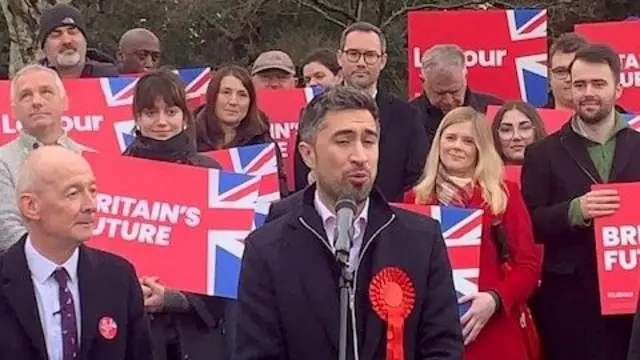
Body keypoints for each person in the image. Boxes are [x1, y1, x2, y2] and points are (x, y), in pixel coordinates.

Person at [233, 85, 463, 360]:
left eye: (369, 141)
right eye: (343, 141)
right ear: (308, 155)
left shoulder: (422, 239)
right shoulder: (266, 249)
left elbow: (443, 349)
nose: (360, 156)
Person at [522, 44, 640, 360]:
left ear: (618, 87)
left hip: (635, 303)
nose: (588, 92)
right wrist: (576, 210)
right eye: (579, 84)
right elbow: (529, 223)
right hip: (570, 310)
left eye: (598, 84)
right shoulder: (541, 153)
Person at [405, 107, 540, 360]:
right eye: (451, 137)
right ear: (438, 142)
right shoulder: (415, 200)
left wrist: (495, 299)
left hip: (494, 333)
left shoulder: (504, 196)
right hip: (433, 335)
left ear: (481, 149)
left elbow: (528, 267)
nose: (457, 146)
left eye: (468, 141)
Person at [0, 146, 153, 360]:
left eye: (92, 190)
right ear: (31, 206)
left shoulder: (118, 278)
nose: (91, 206)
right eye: (73, 194)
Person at [123, 69, 230, 360]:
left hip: (196, 333)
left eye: (170, 111)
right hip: (134, 330)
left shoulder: (210, 173)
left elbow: (225, 267)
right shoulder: (115, 174)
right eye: (150, 112)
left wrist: (176, 299)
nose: (161, 122)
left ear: (184, 116)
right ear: (136, 118)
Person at [294, 22, 429, 202]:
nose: (361, 63)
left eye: (370, 55)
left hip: (389, 221)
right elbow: (302, 174)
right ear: (340, 58)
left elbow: (417, 179)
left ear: (383, 61)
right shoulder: (315, 111)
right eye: (353, 54)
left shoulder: (407, 116)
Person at [0, 64, 89, 254]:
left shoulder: (89, 158)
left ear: (65, 102)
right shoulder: (3, 162)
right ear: (13, 110)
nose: (36, 102)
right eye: (26, 95)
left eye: (46, 92)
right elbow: (6, 228)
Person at [195, 65, 288, 197]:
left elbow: (280, 194)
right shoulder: (188, 142)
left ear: (250, 102)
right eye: (226, 92)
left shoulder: (264, 145)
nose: (233, 101)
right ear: (212, 96)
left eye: (242, 95)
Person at [410, 44, 503, 143]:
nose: (448, 101)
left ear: (465, 76)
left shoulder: (494, 110)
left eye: (454, 92)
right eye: (440, 93)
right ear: (423, 81)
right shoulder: (406, 117)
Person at [38, 3, 119, 78]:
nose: (67, 40)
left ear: (85, 40)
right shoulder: (30, 83)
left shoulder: (113, 79)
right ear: (44, 47)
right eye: (56, 35)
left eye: (72, 32)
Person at [544, 33, 589, 110]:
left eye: (576, 70)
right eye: (560, 71)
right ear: (549, 78)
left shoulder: (612, 120)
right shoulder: (534, 121)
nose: (569, 78)